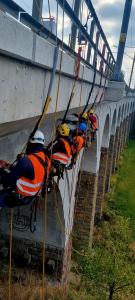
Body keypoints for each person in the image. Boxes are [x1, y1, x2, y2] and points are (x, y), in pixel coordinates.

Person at [0, 130, 50, 207]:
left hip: (18, 196)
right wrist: (8, 166)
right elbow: (28, 172)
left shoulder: (26, 160)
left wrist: (1, 171)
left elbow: (8, 181)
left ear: (30, 142)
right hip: (29, 197)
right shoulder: (46, 159)